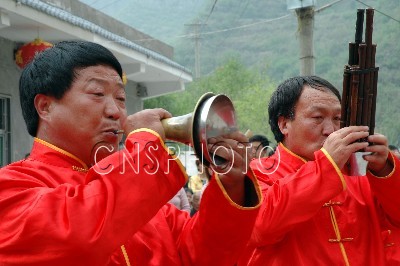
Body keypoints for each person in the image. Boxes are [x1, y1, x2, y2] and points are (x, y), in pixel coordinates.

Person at [0, 41, 262, 265]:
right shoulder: (11, 188)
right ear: (45, 107)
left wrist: (232, 184)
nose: (116, 112)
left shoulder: (143, 200)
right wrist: (146, 145)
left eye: (121, 99)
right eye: (97, 93)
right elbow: (79, 239)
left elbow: (202, 256)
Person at [238, 76, 400, 265]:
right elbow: (260, 227)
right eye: (317, 118)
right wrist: (327, 167)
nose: (331, 130)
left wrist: (385, 170)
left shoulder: (360, 172)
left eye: (338, 118)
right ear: (283, 124)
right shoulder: (257, 173)